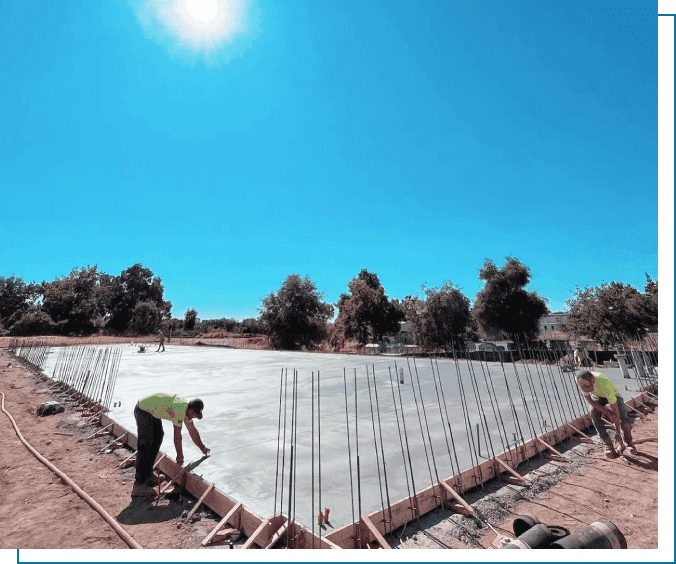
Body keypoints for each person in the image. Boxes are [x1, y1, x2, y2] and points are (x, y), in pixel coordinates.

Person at [132, 393, 210, 497]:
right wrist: (179, 455)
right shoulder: (179, 410)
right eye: (195, 415)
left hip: (152, 412)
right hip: (143, 410)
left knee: (158, 437)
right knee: (146, 444)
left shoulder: (187, 410)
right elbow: (177, 435)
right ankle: (139, 485)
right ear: (191, 411)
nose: (194, 418)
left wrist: (203, 448)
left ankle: (148, 474)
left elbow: (192, 431)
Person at [575, 370, 637, 459]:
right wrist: (607, 411)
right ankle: (608, 445)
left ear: (593, 380)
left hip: (613, 396)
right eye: (583, 387)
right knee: (593, 413)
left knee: (624, 419)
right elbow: (591, 401)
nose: (585, 389)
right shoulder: (580, 381)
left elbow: (615, 412)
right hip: (597, 395)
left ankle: (628, 442)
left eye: (587, 386)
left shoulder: (604, 383)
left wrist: (618, 432)